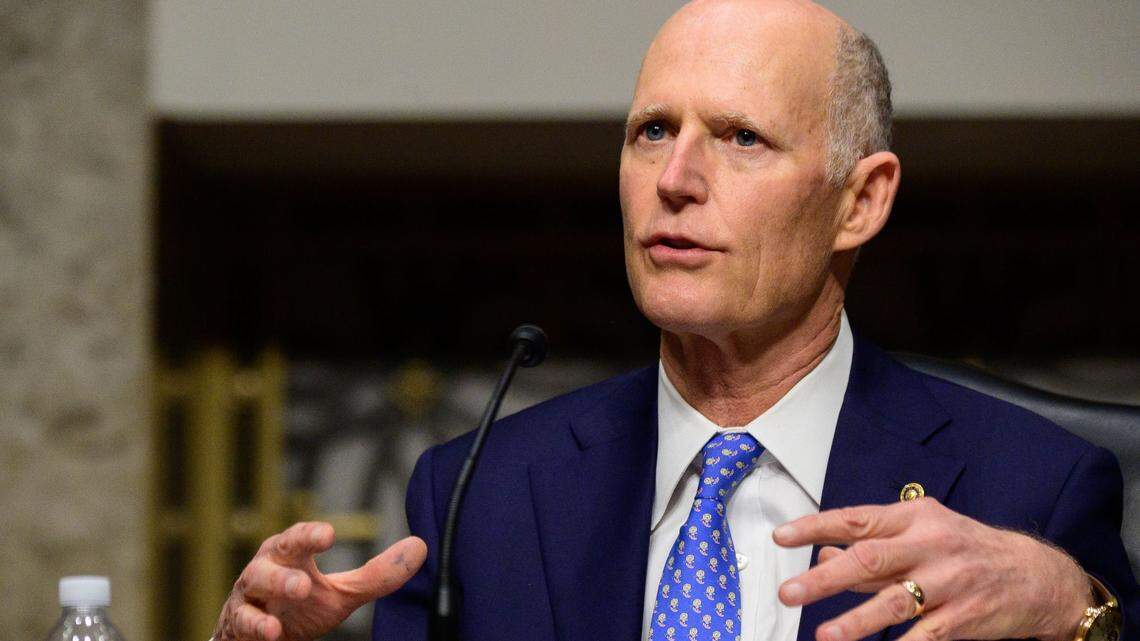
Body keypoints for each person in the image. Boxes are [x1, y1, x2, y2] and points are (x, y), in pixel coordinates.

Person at [211, 1, 1138, 641]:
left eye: (741, 138)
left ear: (860, 202)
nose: (676, 179)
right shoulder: (478, 494)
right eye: (652, 130)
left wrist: (1077, 612)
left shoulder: (1030, 487)